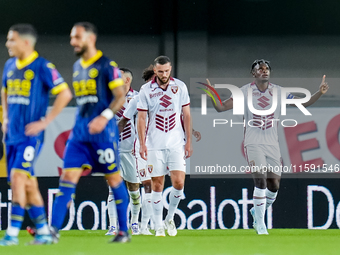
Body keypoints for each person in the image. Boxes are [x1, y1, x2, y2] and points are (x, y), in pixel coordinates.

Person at [207, 59, 329, 234]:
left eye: (267, 69)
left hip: (272, 144)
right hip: (253, 142)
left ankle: (257, 212)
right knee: (260, 181)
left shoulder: (278, 91)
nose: (264, 71)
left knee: (274, 186)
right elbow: (220, 107)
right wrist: (212, 93)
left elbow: (303, 103)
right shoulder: (245, 92)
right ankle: (261, 224)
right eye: (260, 69)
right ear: (253, 73)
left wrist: (319, 93)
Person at [50, 22, 130, 243]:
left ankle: (123, 232)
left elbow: (120, 96)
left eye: (77, 37)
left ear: (90, 38)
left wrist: (104, 117)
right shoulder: (77, 66)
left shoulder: (107, 66)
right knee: (66, 178)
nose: (72, 42)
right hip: (79, 137)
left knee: (114, 180)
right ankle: (53, 232)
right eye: (71, 38)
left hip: (103, 136)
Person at [0, 24, 72, 245]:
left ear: (26, 42)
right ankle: (42, 231)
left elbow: (65, 93)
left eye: (11, 40)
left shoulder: (42, 66)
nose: (7, 44)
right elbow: (4, 90)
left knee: (18, 178)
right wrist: (5, 118)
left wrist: (46, 121)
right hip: (11, 136)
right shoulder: (10, 65)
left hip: (30, 137)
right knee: (28, 183)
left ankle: (12, 233)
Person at [137, 56, 192, 237]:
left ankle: (170, 217)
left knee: (179, 183)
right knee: (157, 185)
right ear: (155, 71)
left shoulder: (180, 87)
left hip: (176, 143)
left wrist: (188, 141)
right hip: (154, 144)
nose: (164, 74)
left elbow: (187, 115)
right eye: (160, 71)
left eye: (167, 71)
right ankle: (158, 224)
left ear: (171, 69)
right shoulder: (146, 90)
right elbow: (142, 118)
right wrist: (142, 143)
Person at [106, 67, 140, 236]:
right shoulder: (109, 97)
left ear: (127, 80)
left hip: (131, 150)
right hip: (112, 149)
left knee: (134, 188)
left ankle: (134, 221)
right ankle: (113, 226)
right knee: (112, 186)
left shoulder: (138, 98)